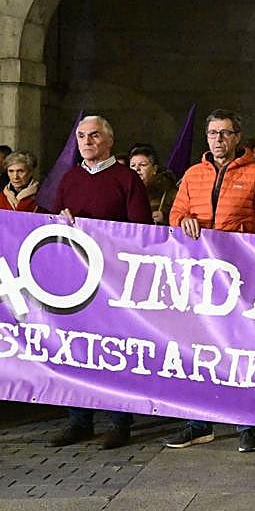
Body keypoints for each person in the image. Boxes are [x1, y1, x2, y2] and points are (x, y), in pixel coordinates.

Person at [164, 109, 255, 453]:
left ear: (237, 138)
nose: (218, 139)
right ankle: (199, 423)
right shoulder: (193, 175)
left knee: (242, 351)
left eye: (225, 133)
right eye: (213, 133)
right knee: (200, 350)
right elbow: (175, 214)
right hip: (200, 276)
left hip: (241, 277)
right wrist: (184, 218)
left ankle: (247, 424)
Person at [49, 116, 153, 450]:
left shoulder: (126, 179)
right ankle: (79, 420)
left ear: (109, 140)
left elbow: (142, 232)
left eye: (94, 135)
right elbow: (52, 225)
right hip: (76, 280)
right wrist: (60, 220)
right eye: (81, 135)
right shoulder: (70, 178)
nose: (87, 141)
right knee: (76, 348)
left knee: (113, 352)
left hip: (113, 280)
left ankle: (119, 421)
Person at [128, 144, 177, 225]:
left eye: (143, 165)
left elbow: (183, 216)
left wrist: (165, 217)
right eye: (133, 166)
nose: (136, 169)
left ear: (155, 169)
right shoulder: (124, 192)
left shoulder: (169, 193)